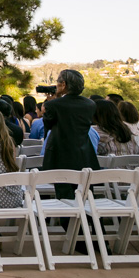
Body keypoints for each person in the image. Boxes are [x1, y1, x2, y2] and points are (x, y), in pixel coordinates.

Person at [41, 69, 100, 198]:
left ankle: (66, 218)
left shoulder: (53, 105)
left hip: (60, 155)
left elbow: (48, 125)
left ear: (63, 84)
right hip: (84, 153)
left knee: (64, 196)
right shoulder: (90, 104)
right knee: (86, 194)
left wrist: (47, 107)